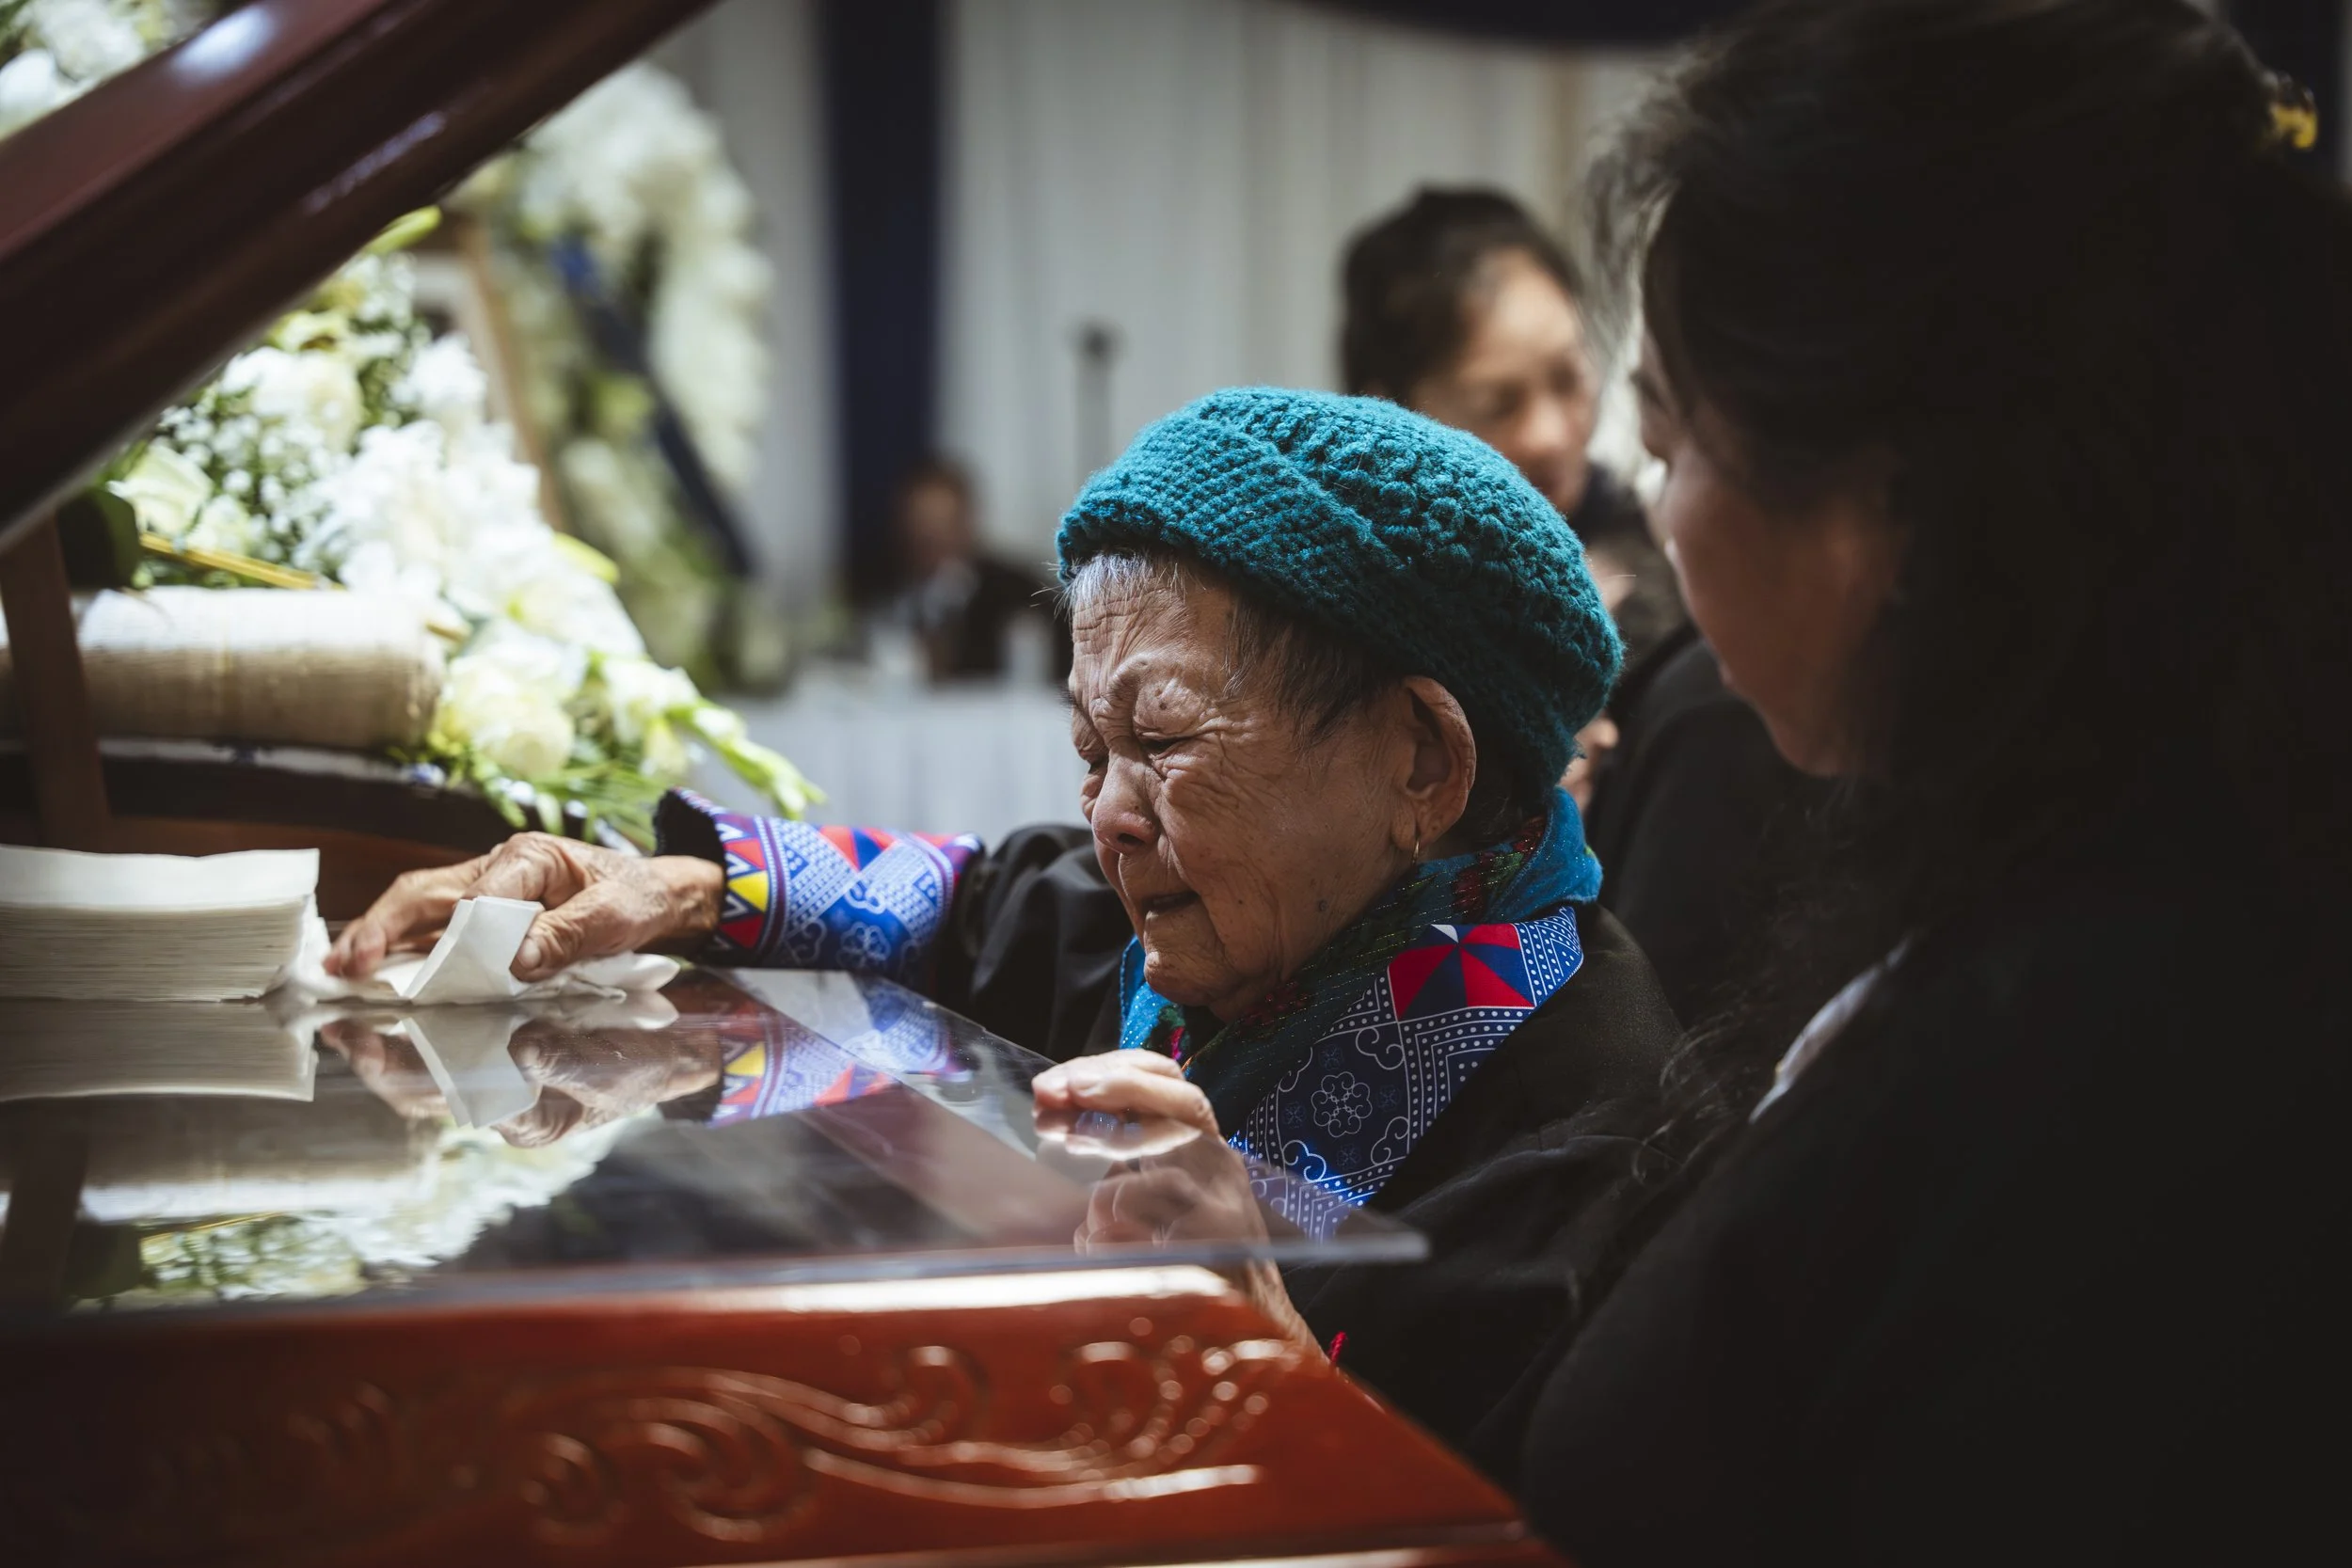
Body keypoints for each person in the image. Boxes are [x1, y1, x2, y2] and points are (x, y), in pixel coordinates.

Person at [1061, 0, 2352, 1558]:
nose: (1646, 515)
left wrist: (1274, 1356)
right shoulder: (2048, 865)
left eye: (1668, 443)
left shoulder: (2116, 1047)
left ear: (1886, 507)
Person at [327, 388, 1683, 1445]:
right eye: (1092, 746)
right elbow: (980, 900)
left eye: (1163, 736)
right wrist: (674, 888)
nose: (1110, 817)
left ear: (1422, 765)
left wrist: (1253, 1323)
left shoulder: (1590, 1116)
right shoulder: (1239, 927)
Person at [1340, 185, 1812, 1022]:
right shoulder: (1343, 624)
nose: (1556, 433)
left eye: (1570, 379)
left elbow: (1654, 1012)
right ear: (1391, 411)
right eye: (1500, 403)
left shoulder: (1675, 638)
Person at [871, 455, 1066, 682]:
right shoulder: (882, 586)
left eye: (941, 526)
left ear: (967, 524)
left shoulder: (1020, 591)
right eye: (921, 526)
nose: (930, 538)